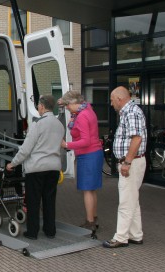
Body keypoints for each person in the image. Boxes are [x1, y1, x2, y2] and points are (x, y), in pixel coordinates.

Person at [6, 95, 64, 240]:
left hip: (37, 168)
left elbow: (25, 149)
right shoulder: (59, 125)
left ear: (43, 107)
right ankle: (50, 231)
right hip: (54, 168)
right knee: (49, 200)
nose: (38, 107)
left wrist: (13, 163)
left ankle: (32, 232)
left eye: (38, 105)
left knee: (33, 201)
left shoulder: (37, 124)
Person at [103, 86, 148, 248]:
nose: (111, 103)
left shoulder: (131, 113)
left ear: (120, 99)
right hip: (132, 161)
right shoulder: (129, 112)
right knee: (132, 200)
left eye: (112, 100)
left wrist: (127, 162)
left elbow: (137, 139)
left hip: (132, 162)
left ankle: (120, 237)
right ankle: (136, 235)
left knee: (126, 202)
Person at [59, 91, 103, 233]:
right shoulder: (87, 109)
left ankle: (90, 222)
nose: (66, 108)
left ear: (73, 102)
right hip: (94, 153)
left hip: (88, 155)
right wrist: (63, 101)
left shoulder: (82, 116)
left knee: (87, 190)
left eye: (67, 105)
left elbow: (85, 141)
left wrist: (67, 145)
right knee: (92, 189)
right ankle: (94, 218)